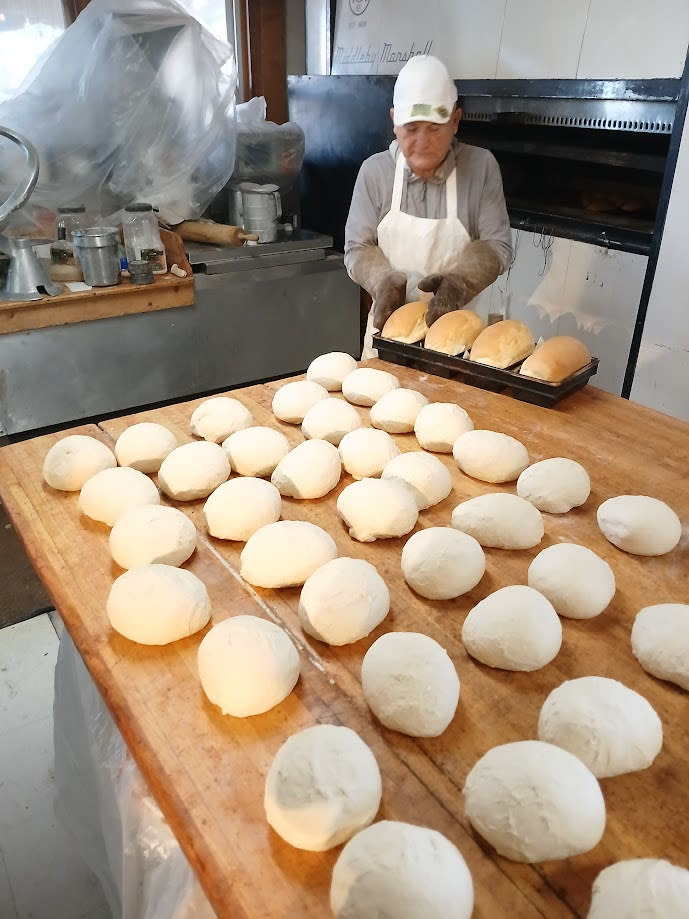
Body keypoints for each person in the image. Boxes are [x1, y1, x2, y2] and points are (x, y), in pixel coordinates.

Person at [344, 55, 513, 359]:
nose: (421, 141)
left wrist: (459, 283)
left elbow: (497, 246)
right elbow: (357, 247)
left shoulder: (480, 167)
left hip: (456, 339)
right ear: (394, 120)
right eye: (411, 128)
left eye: (434, 129)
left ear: (455, 121)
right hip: (387, 335)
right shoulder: (375, 173)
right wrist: (382, 281)